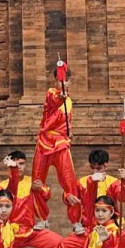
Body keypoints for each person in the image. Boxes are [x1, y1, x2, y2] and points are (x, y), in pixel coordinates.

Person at [52, 148, 125, 248]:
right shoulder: (83, 181)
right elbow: (70, 193)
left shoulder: (113, 182)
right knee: (65, 246)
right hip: (86, 229)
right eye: (92, 168)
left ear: (106, 165)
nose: (95, 171)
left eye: (99, 168)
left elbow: (124, 197)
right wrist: (67, 197)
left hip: (107, 230)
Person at [32, 61, 77, 197]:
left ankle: (75, 217)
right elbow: (54, 101)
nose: (63, 84)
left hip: (61, 142)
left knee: (69, 179)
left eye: (66, 81)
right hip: (45, 141)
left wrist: (69, 133)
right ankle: (41, 215)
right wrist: (60, 98)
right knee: (37, 180)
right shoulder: (52, 93)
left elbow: (66, 122)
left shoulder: (69, 101)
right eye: (60, 81)